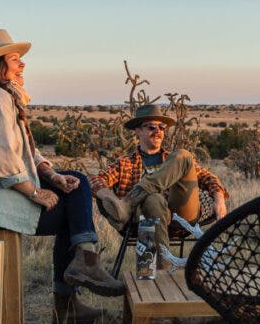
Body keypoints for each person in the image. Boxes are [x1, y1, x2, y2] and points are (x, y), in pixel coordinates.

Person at [0, 29, 124, 324]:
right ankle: (75, 286)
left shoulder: (2, 99)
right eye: (15, 59)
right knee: (71, 209)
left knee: (74, 182)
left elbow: (27, 153)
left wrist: (52, 175)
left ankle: (84, 262)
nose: (22, 65)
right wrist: (34, 192)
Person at [91, 104, 229, 268]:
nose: (158, 131)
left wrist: (219, 198)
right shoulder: (125, 163)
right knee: (153, 200)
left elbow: (208, 177)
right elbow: (95, 180)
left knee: (184, 155)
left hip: (181, 214)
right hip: (146, 217)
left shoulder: (175, 160)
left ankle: (129, 202)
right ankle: (161, 271)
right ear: (138, 130)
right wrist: (110, 198)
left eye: (161, 127)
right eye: (151, 127)